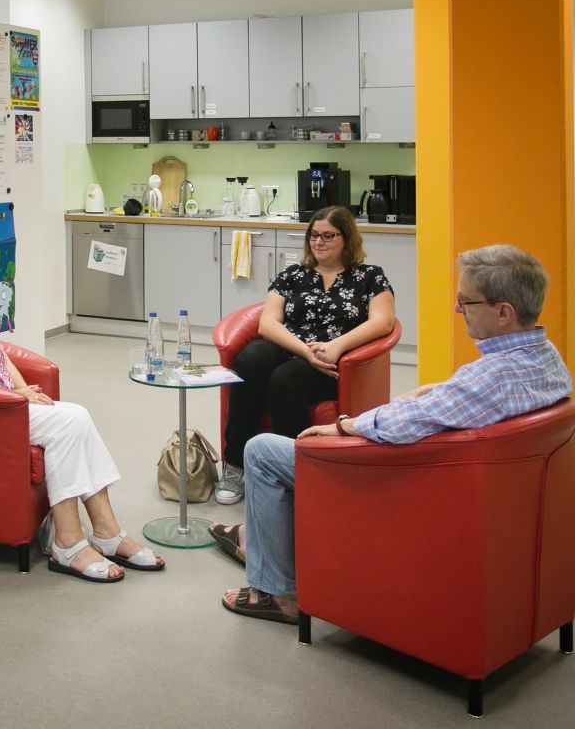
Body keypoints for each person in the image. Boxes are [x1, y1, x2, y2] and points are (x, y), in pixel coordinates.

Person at [212, 244, 572, 624]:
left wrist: (343, 426)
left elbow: (399, 426)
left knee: (263, 450)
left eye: (466, 302)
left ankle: (273, 592)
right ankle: (257, 537)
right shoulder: (547, 358)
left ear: (503, 312)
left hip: (399, 481)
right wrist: (438, 389)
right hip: (474, 488)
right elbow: (463, 402)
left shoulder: (487, 379)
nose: (456, 309)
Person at [0, 235, 164, 583]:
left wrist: (21, 388)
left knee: (77, 415)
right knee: (67, 424)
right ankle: (68, 541)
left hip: (2, 402)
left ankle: (106, 531)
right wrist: (11, 398)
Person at [215, 205, 396, 505]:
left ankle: (294, 469)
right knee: (251, 359)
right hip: (294, 348)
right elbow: (268, 323)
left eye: (328, 236)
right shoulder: (293, 275)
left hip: (335, 364)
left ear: (347, 239)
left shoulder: (370, 276)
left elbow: (383, 321)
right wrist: (303, 351)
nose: (319, 242)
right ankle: (234, 465)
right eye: (314, 235)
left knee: (286, 379)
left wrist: (335, 346)